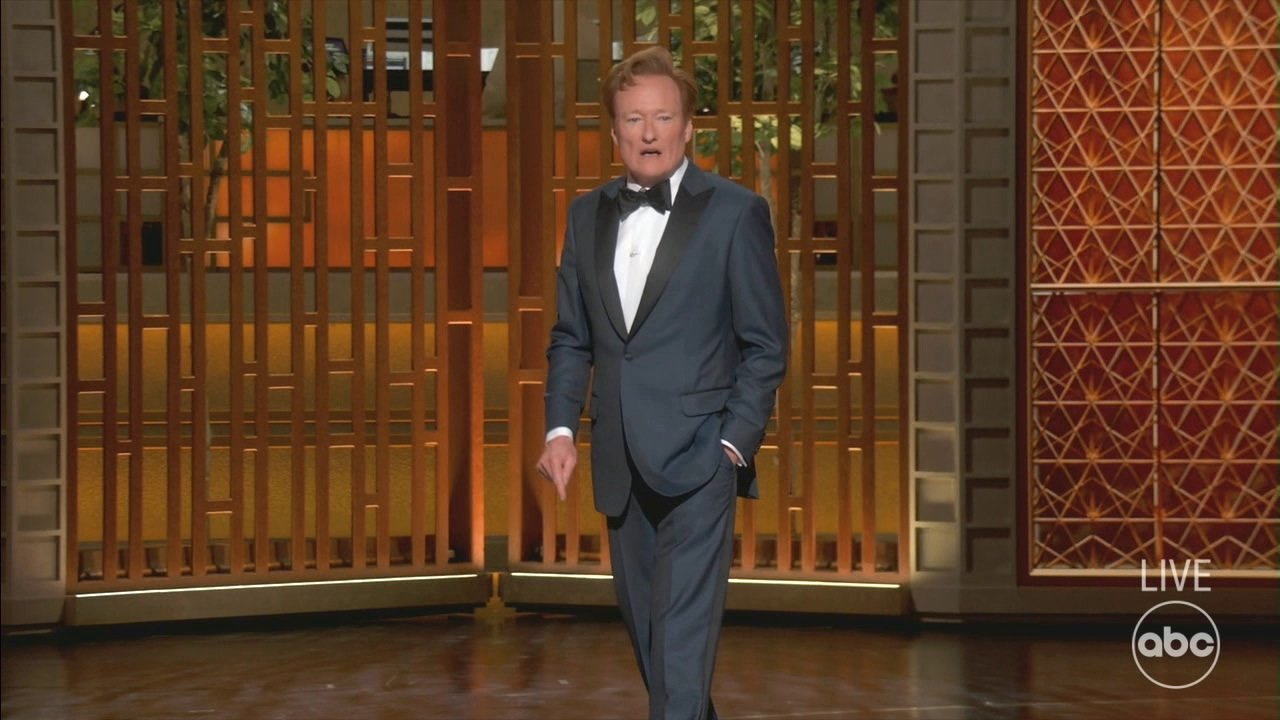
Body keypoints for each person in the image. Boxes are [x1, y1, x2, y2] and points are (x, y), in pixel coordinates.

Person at [536, 46, 789, 720]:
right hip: (620, 461)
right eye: (634, 119)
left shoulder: (735, 213)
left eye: (663, 117)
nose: (649, 133)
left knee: (678, 645)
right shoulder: (587, 215)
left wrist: (732, 445)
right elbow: (572, 337)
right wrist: (559, 430)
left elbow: (765, 344)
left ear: (688, 128)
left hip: (702, 459)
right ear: (614, 131)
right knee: (657, 646)